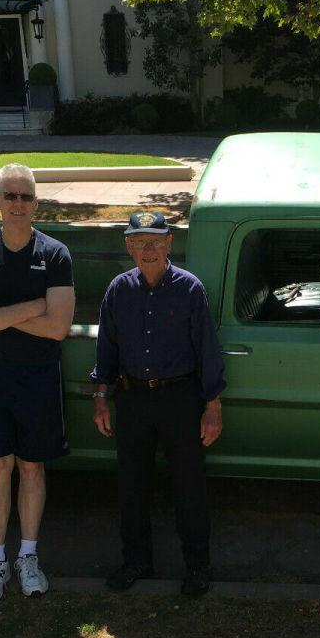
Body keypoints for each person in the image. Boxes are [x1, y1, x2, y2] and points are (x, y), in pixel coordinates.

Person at [0, 164, 75, 605]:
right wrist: (32, 308)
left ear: (36, 203)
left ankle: (28, 557)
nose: (18, 204)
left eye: (26, 197)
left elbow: (58, 327)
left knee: (31, 468)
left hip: (39, 377)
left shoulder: (56, 253)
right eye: (11, 196)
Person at [91, 211, 226, 597]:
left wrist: (212, 407)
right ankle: (136, 561)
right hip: (132, 399)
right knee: (132, 486)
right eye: (140, 241)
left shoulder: (189, 289)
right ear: (128, 245)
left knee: (189, 486)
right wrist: (101, 398)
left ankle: (198, 566)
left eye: (155, 241)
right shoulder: (118, 289)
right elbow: (106, 350)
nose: (147, 249)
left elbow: (208, 352)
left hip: (180, 399)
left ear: (169, 244)